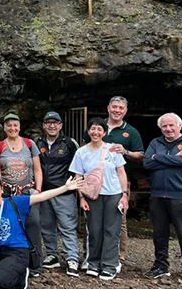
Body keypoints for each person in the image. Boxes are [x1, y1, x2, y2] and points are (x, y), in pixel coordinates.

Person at [0, 175, 85, 289]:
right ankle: (0, 269)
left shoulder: (15, 202)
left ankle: (20, 276)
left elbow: (41, 196)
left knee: (0, 282)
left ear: (1, 189)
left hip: (17, 251)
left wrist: (65, 187)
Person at [85, 96, 144, 264]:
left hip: (119, 181)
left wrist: (125, 151)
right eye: (115, 107)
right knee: (93, 219)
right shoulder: (96, 127)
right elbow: (85, 149)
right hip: (93, 181)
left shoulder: (131, 132)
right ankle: (90, 255)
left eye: (121, 108)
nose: (117, 110)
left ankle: (118, 256)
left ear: (126, 111)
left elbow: (140, 155)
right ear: (108, 108)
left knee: (119, 220)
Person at [69, 117, 129, 281]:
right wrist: (81, 197)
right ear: (88, 131)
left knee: (112, 230)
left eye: (99, 129)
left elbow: (121, 173)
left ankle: (109, 265)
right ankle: (93, 263)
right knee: (94, 230)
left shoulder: (112, 150)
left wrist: (124, 195)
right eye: (92, 129)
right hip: (92, 196)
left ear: (104, 132)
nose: (95, 132)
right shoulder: (81, 152)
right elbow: (78, 176)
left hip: (113, 194)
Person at [143, 113, 182, 285]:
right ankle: (161, 266)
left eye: (171, 125)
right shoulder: (155, 142)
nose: (168, 129)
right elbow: (146, 163)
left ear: (179, 126)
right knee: (159, 233)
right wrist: (175, 158)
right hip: (158, 194)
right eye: (164, 126)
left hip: (181, 194)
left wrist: (157, 157)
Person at [0, 112, 44, 276]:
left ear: (19, 127)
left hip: (28, 192)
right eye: (9, 125)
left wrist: (38, 189)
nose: (12, 128)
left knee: (33, 225)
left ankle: (35, 263)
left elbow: (37, 169)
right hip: (8, 194)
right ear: (4, 127)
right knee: (11, 227)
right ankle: (13, 262)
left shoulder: (30, 144)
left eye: (15, 125)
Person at [34, 111, 81, 276]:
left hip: (64, 192)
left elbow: (79, 166)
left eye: (55, 122)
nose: (52, 126)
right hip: (45, 192)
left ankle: (72, 258)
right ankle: (52, 255)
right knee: (46, 226)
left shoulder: (69, 143)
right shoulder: (37, 142)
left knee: (67, 227)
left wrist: (77, 188)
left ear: (61, 125)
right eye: (48, 122)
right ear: (44, 125)